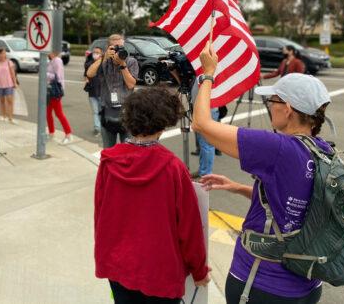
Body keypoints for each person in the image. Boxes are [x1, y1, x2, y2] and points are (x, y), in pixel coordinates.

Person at [193, 42, 329, 304]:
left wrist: (208, 73)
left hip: (262, 285)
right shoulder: (323, 150)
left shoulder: (277, 147)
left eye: (272, 100)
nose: (269, 105)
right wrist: (238, 187)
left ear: (287, 109)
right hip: (308, 286)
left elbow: (201, 124)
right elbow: (293, 205)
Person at [94, 87, 210, 303]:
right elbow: (189, 227)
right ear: (165, 121)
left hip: (118, 265)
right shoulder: (173, 167)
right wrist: (199, 270)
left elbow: (100, 215)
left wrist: (104, 256)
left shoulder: (109, 161)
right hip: (160, 271)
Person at [86, 34, 139, 148]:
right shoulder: (104, 62)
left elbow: (131, 84)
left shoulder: (131, 62)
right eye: (115, 47)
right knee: (109, 151)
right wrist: (103, 57)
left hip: (127, 113)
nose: (119, 50)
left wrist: (122, 65)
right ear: (109, 48)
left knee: (128, 151)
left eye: (121, 46)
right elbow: (89, 74)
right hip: (107, 113)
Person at [190, 78, 219, 178]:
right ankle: (203, 170)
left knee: (207, 144)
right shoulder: (200, 74)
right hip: (200, 110)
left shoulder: (209, 75)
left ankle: (205, 174)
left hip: (207, 110)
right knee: (203, 144)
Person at [47, 51, 72, 144]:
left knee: (58, 113)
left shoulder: (57, 60)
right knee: (48, 113)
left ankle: (68, 134)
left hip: (55, 90)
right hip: (49, 90)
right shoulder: (51, 61)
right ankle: (51, 133)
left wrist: (45, 73)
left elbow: (58, 76)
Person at [0, 47, 17, 123]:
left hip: (9, 84)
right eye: (2, 53)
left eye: (4, 53)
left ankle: (10, 117)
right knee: (2, 101)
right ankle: (3, 116)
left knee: (10, 100)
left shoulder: (9, 62)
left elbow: (13, 73)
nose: (3, 55)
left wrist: (15, 83)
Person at [84, 47, 103, 137]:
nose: (95, 54)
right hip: (91, 92)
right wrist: (87, 79)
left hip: (101, 92)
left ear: (101, 53)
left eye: (98, 52)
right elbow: (85, 75)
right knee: (95, 111)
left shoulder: (103, 63)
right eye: (94, 52)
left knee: (100, 111)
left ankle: (102, 128)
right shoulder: (88, 63)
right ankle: (97, 128)